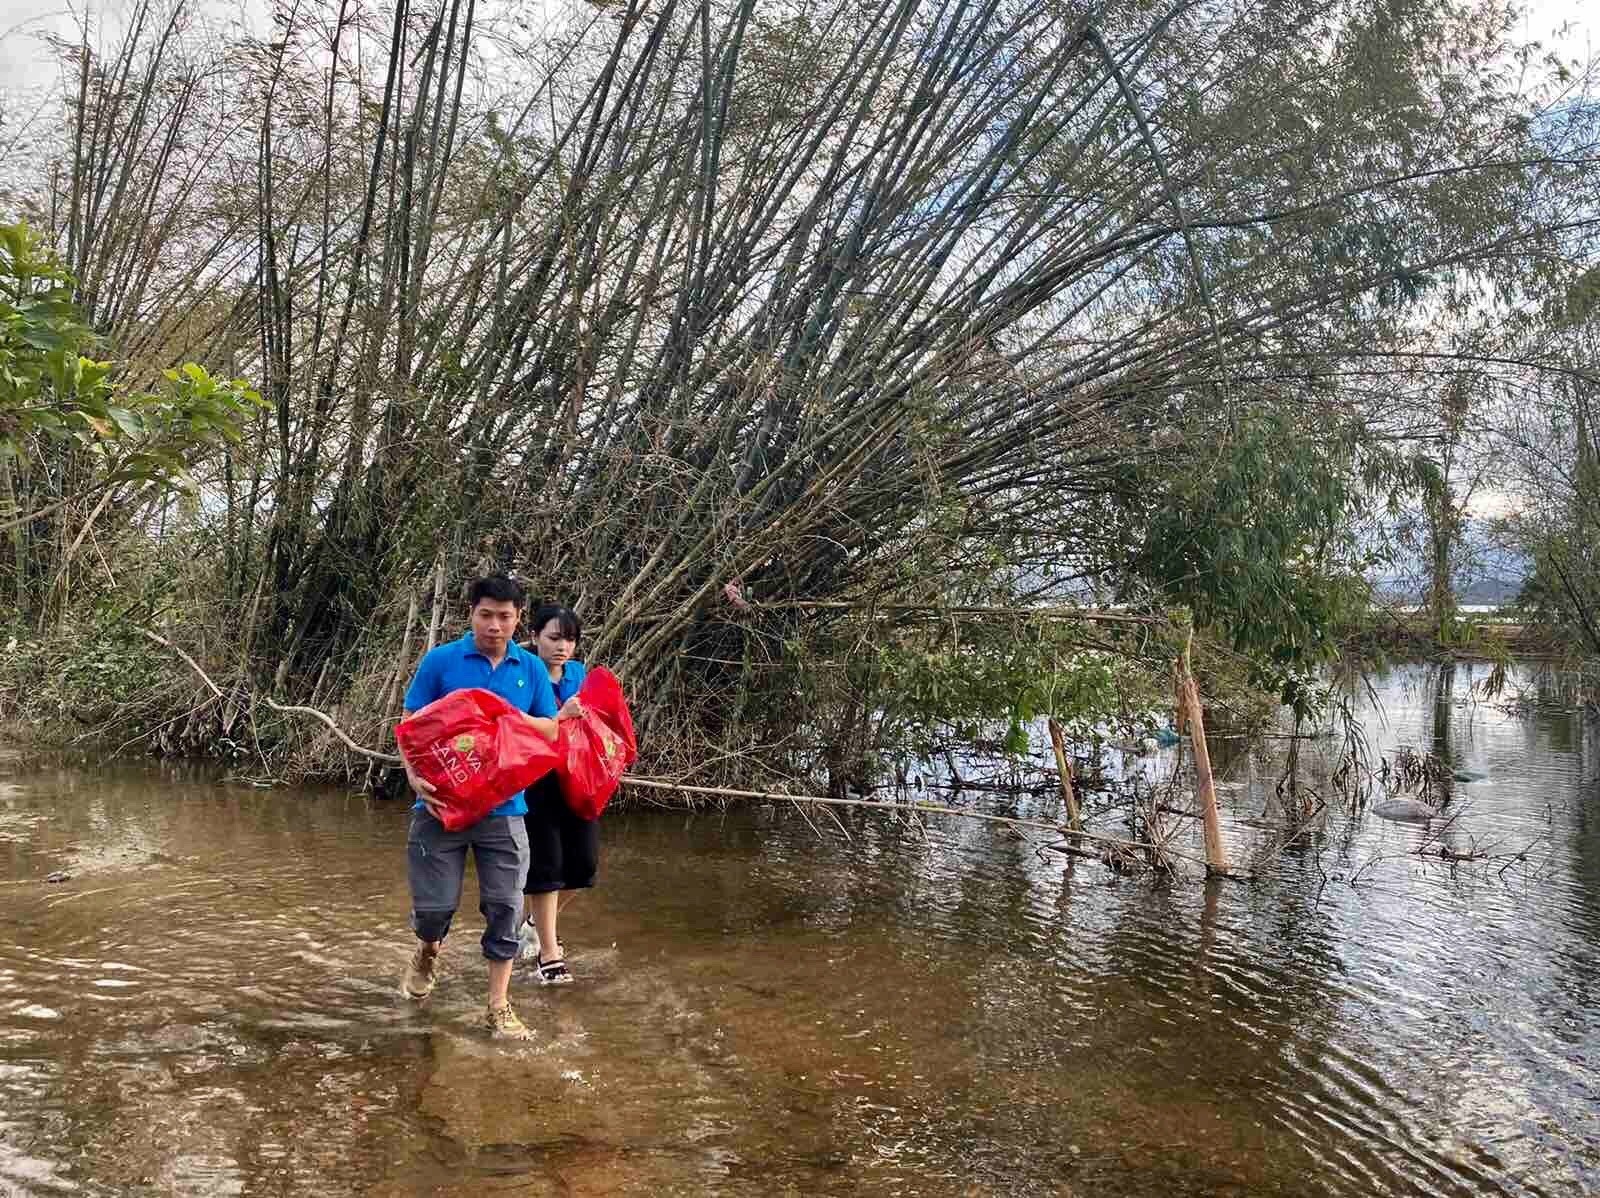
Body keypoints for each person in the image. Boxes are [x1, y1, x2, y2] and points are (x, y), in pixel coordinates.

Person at [396, 575, 579, 1038]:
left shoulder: (530, 669)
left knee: (504, 906)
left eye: (505, 616)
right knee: (435, 909)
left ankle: (498, 1007)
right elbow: (410, 725)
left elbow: (551, 730)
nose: (494, 625)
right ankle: (427, 950)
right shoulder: (442, 661)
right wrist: (414, 776)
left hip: (504, 809)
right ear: (471, 614)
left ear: (518, 619)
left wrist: (504, 715)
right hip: (440, 806)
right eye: (486, 614)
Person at [516, 602, 597, 985]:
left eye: (569, 639)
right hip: (536, 779)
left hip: (578, 778)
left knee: (583, 866)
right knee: (546, 866)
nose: (562, 647)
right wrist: (559, 717)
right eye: (553, 638)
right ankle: (549, 955)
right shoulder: (523, 673)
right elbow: (510, 723)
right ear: (534, 637)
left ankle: (534, 921)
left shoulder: (579, 673)